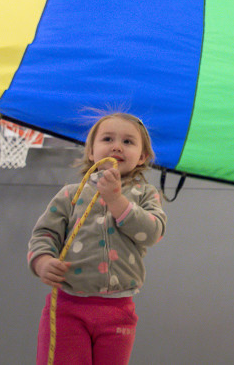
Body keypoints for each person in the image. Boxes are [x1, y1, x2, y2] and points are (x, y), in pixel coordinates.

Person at [28, 113, 166, 365]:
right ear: (91, 152)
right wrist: (43, 261)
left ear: (142, 157)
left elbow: (152, 232)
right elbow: (44, 234)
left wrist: (116, 200)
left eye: (128, 142)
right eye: (107, 139)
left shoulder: (145, 194)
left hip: (118, 311)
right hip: (67, 309)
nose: (116, 146)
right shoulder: (70, 194)